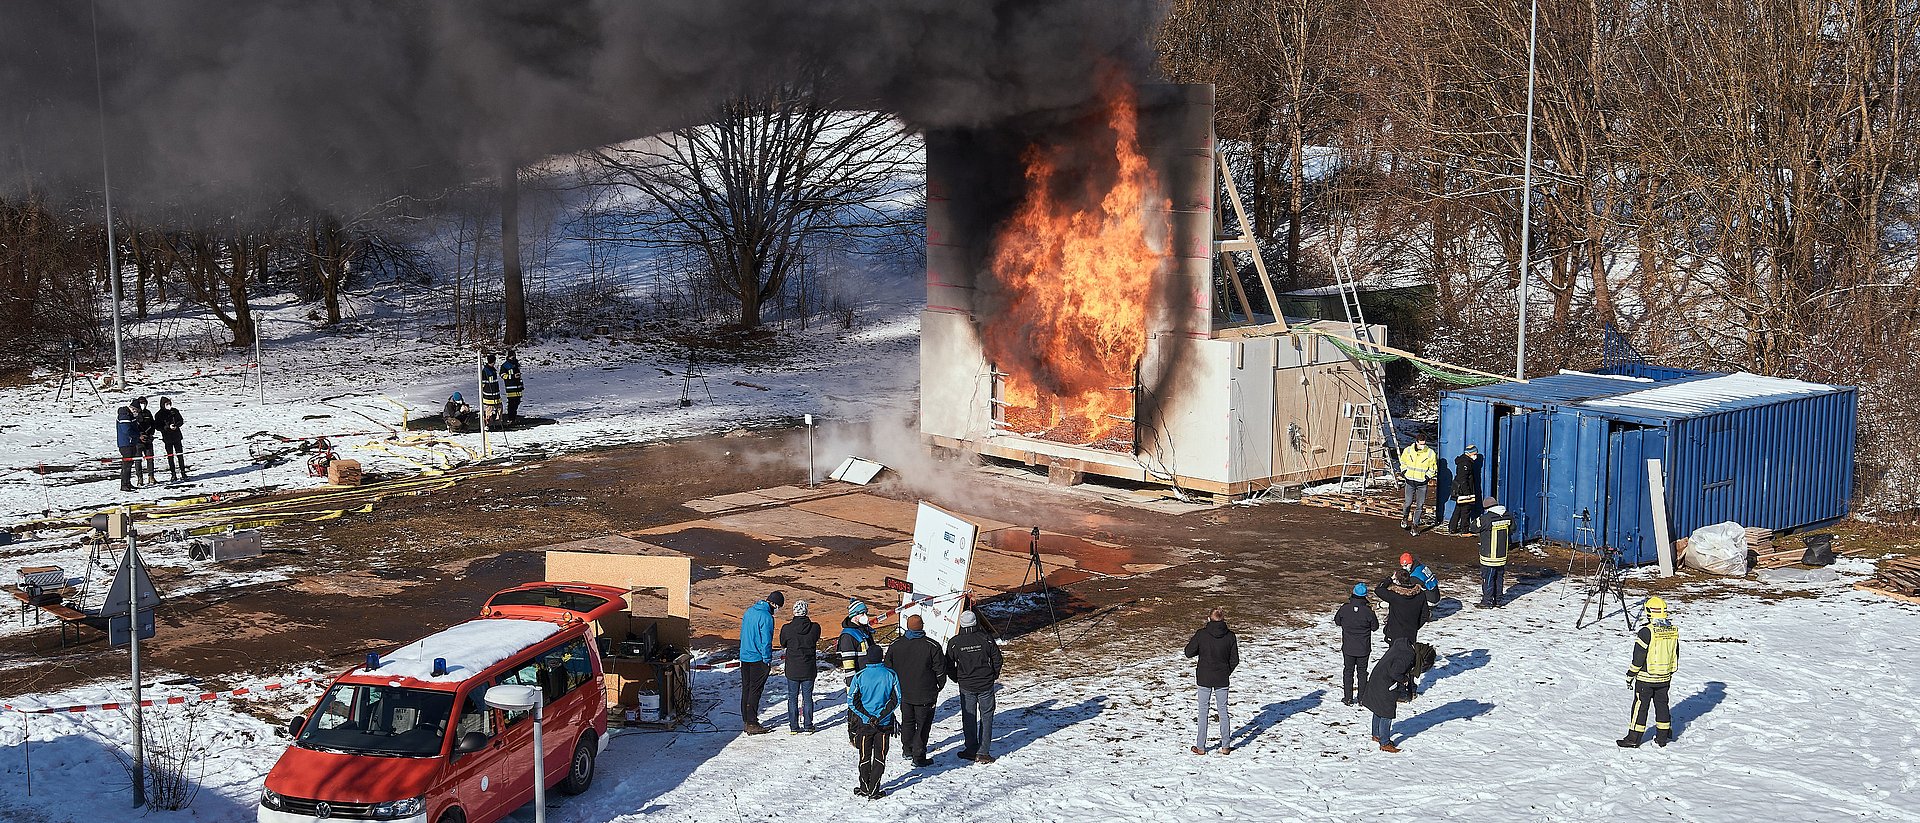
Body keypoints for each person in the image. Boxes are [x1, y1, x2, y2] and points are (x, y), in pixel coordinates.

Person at [884, 614, 948, 767]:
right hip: (925, 694)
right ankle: (918, 756)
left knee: (908, 721)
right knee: (923, 724)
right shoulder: (932, 645)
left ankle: (907, 749)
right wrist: (938, 686)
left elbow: (888, 668)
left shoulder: (896, 645)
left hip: (904, 693)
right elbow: (940, 670)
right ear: (922, 626)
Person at [1619, 596, 1680, 748]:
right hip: (1665, 677)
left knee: (1640, 707)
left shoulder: (1647, 632)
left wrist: (1631, 674)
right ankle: (1663, 736)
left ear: (1648, 611)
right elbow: (1675, 653)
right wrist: (1670, 671)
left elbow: (1638, 656)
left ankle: (1633, 738)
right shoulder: (1672, 630)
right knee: (1662, 705)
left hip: (1646, 678)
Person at [945, 610, 1003, 763]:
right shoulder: (985, 638)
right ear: (975, 622)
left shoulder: (955, 642)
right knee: (987, 717)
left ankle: (971, 749)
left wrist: (957, 678)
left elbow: (948, 664)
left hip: (967, 685)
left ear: (962, 624)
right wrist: (993, 676)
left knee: (969, 717)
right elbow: (997, 659)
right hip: (984, 684)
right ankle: (983, 751)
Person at [847, 645, 900, 799]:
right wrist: (881, 716)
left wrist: (867, 717)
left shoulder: (860, 676)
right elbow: (896, 699)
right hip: (884, 724)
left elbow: (852, 701)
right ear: (881, 657)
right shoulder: (890, 674)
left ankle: (864, 788)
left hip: (865, 724)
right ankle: (874, 789)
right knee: (880, 756)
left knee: (864, 756)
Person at [1184, 607, 1239, 755]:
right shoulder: (1230, 636)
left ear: (1209, 619)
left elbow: (1188, 652)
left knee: (1203, 711)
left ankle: (1201, 747)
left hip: (1204, 677)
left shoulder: (1202, 635)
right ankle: (1225, 746)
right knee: (1223, 711)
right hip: (1222, 678)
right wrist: (1226, 672)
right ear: (1223, 619)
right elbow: (1235, 660)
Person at [738, 590, 784, 735]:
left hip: (745, 657)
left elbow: (743, 634)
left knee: (746, 688)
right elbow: (766, 641)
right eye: (778, 607)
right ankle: (752, 722)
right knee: (755, 690)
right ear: (774, 604)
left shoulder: (749, 612)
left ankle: (746, 720)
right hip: (758, 659)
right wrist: (767, 660)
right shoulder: (767, 617)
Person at [1376, 568, 1426, 701]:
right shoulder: (1420, 595)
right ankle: (1409, 689)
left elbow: (1378, 590)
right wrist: (1415, 627)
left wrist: (1389, 579)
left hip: (1395, 634)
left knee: (1394, 662)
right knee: (1408, 662)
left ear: (1397, 580)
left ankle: (1399, 690)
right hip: (1410, 634)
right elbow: (1425, 615)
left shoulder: (1395, 596)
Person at [1361, 636, 1416, 753]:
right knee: (1387, 713)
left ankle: (1376, 735)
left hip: (1376, 680)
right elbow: (1395, 672)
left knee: (1378, 708)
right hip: (1384, 685)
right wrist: (1405, 679)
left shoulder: (1399, 648)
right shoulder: (1408, 655)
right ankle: (1385, 743)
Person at [779, 599, 821, 733]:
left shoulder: (787, 628)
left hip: (792, 668)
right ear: (806, 611)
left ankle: (794, 726)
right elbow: (815, 638)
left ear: (794, 612)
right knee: (807, 697)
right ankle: (808, 725)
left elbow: (783, 643)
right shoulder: (815, 627)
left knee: (792, 697)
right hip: (808, 668)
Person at [1333, 584, 1378, 706]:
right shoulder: (1368, 611)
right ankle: (1362, 698)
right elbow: (1375, 627)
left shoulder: (1345, 609)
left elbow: (1337, 621)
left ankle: (1348, 698)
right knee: (1362, 672)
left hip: (1348, 647)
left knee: (1348, 671)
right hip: (1363, 648)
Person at [1478, 498, 1514, 608]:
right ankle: (1499, 600)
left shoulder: (1486, 519)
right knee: (1499, 578)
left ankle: (1487, 601)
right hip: (1502, 555)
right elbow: (1513, 528)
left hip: (1489, 556)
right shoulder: (1508, 516)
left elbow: (1473, 527)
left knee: (1488, 578)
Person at [1398, 437, 1438, 534]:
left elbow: (1433, 467)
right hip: (1410, 481)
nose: (1422, 446)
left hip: (1422, 483)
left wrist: (1427, 477)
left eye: (1424, 444)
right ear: (1416, 442)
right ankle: (1405, 517)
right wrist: (1404, 472)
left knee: (1420, 505)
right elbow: (1402, 461)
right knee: (1408, 503)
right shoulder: (1408, 450)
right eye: (1420, 444)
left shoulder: (1430, 453)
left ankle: (1415, 525)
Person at [1448, 444, 1483, 533]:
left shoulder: (1464, 462)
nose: (1476, 456)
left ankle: (1452, 527)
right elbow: (1463, 479)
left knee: (1459, 508)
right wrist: (1468, 493)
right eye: (1475, 454)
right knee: (1466, 510)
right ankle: (1465, 530)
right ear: (1470, 453)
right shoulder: (1465, 464)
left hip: (1460, 490)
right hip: (1464, 491)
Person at [155, 397, 187, 482]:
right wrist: (167, 427)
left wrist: (176, 425)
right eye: (166, 404)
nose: (168, 405)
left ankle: (183, 472)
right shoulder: (159, 414)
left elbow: (181, 420)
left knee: (180, 455)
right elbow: (158, 426)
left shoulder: (175, 411)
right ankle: (173, 473)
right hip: (167, 437)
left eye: (169, 403)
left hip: (177, 436)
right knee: (170, 456)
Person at [115, 399, 140, 492]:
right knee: (126, 465)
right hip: (126, 444)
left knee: (129, 464)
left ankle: (127, 483)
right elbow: (127, 430)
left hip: (131, 443)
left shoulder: (129, 415)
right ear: (133, 409)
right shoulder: (124, 415)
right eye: (137, 411)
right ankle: (124, 484)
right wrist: (138, 435)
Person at [133, 397, 158, 485]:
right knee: (138, 460)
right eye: (141, 403)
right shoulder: (135, 414)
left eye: (144, 403)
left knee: (150, 459)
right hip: (138, 441)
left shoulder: (148, 412)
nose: (143, 405)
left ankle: (151, 476)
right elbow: (133, 427)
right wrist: (140, 435)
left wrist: (151, 434)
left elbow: (153, 424)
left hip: (148, 439)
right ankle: (140, 478)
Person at [479, 353, 503, 426]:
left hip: (496, 394)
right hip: (489, 395)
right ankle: (488, 423)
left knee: (500, 407)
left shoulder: (492, 370)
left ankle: (498, 422)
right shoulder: (485, 371)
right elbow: (483, 384)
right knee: (489, 410)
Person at [501, 349, 525, 420]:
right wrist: (512, 376)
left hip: (518, 388)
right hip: (511, 388)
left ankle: (513, 417)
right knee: (511, 404)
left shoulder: (516, 364)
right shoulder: (505, 366)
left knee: (517, 403)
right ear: (508, 357)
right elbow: (503, 375)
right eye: (512, 357)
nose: (513, 358)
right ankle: (511, 418)